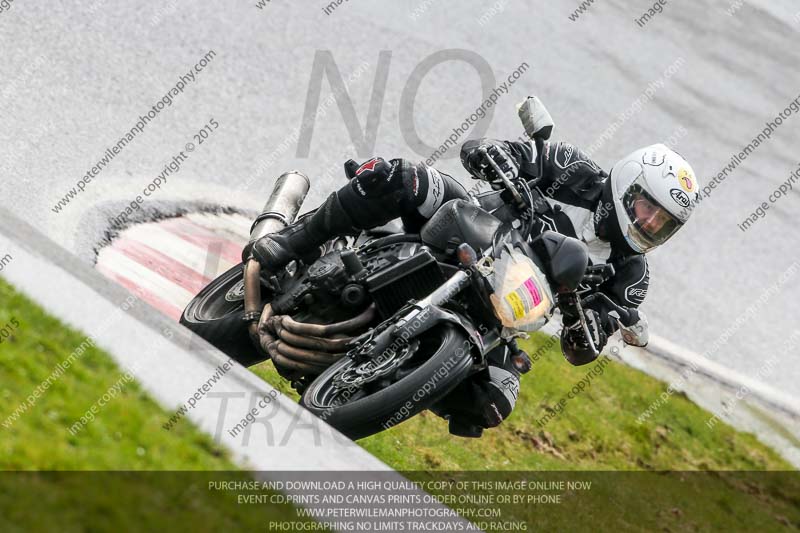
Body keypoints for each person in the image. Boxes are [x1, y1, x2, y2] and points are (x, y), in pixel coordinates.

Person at [249, 98, 700, 432]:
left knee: (493, 401)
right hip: (463, 229)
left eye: (663, 223)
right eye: (647, 208)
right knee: (402, 177)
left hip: (503, 311)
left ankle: (376, 382)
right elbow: (485, 150)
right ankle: (291, 241)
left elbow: (581, 350)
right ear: (627, 187)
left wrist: (589, 325)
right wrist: (496, 156)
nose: (650, 224)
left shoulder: (630, 273)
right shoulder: (574, 169)